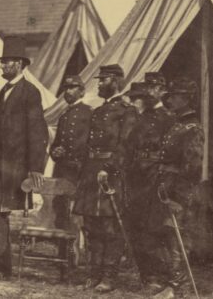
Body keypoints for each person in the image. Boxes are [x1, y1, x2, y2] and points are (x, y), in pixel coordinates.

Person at [0, 36, 49, 281]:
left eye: (6, 63)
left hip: (14, 169)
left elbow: (38, 132)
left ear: (19, 64)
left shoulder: (30, 92)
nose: (2, 67)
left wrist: (35, 168)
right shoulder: (3, 92)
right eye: (3, 62)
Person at [72, 64, 137, 292]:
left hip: (111, 174)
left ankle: (109, 277)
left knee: (110, 227)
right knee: (91, 225)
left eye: (104, 80)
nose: (99, 84)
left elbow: (125, 145)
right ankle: (93, 274)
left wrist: (109, 168)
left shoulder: (127, 111)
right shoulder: (98, 111)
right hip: (92, 172)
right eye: (100, 80)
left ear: (117, 81)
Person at [149, 77, 204, 298]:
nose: (172, 99)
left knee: (177, 237)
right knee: (166, 234)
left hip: (180, 192)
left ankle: (177, 286)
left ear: (188, 99)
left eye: (177, 96)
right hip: (165, 186)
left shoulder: (192, 128)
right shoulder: (177, 124)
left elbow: (192, 168)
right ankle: (170, 281)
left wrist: (177, 198)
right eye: (171, 96)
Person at [124, 82, 175, 290]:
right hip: (136, 176)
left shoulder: (169, 118)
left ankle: (160, 277)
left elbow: (172, 152)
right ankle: (146, 275)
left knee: (153, 228)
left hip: (155, 177)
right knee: (135, 225)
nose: (143, 98)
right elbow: (129, 146)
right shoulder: (140, 118)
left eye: (150, 93)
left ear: (161, 93)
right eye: (143, 95)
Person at [49, 75, 92, 260]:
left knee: (77, 214)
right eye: (66, 88)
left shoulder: (89, 113)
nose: (68, 91)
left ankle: (78, 254)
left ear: (81, 91)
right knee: (61, 210)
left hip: (78, 171)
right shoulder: (64, 115)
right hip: (62, 170)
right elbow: (56, 143)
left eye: (72, 88)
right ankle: (63, 253)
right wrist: (55, 151)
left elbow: (91, 144)